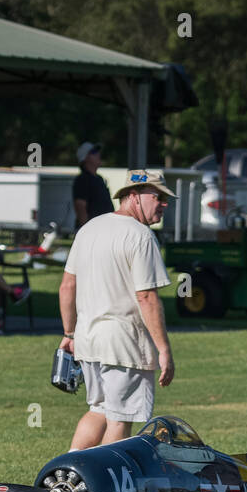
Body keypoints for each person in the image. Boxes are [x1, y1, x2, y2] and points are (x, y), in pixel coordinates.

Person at [58, 169, 176, 450]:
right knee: (120, 418)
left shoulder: (89, 228)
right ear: (134, 196)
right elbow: (146, 296)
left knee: (98, 409)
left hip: (89, 340)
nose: (164, 204)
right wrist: (163, 349)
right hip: (125, 343)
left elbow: (66, 287)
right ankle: (102, 488)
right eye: (157, 197)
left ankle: (68, 476)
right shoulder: (141, 236)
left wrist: (70, 333)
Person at [72, 141, 113, 230]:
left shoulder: (99, 179)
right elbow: (80, 207)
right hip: (94, 231)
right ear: (84, 158)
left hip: (104, 229)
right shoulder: (82, 179)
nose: (98, 154)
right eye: (94, 152)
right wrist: (87, 231)